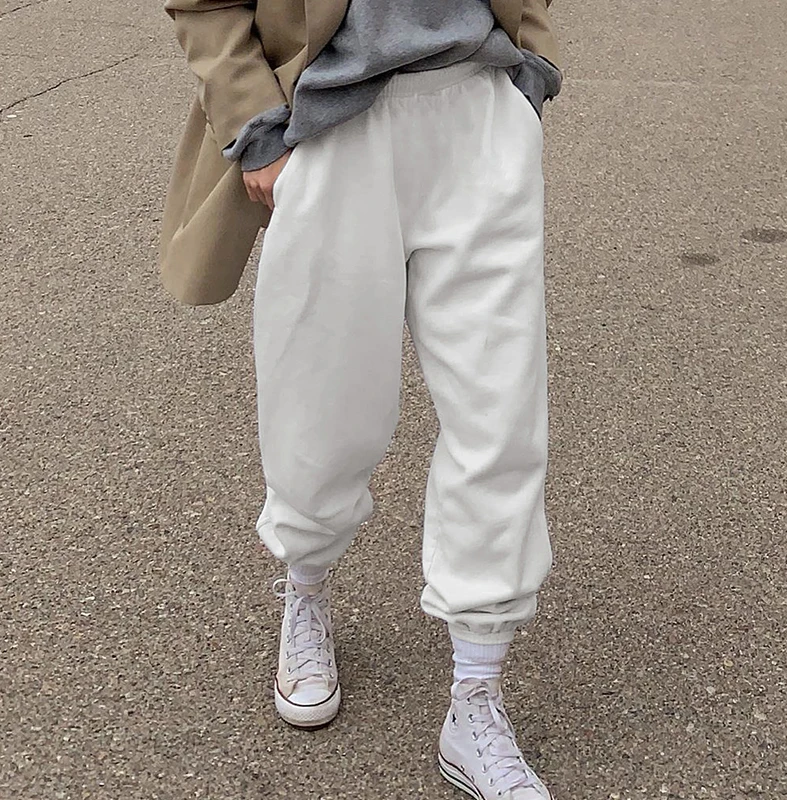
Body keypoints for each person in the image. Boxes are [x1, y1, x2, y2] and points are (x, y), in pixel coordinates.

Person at [162, 1, 562, 797]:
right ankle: (306, 586)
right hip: (331, 122)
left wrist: (533, 70)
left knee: (501, 408)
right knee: (321, 401)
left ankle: (476, 694)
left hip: (479, 106)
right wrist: (257, 126)